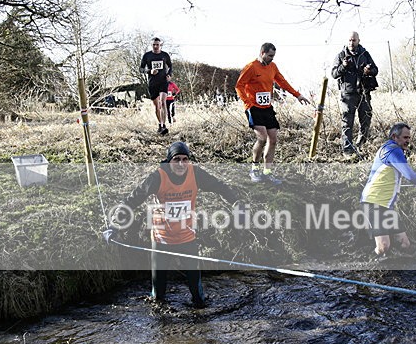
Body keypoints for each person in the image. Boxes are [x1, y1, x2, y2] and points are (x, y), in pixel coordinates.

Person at [114, 141, 240, 308]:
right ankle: (161, 324)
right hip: (161, 239)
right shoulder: (158, 176)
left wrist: (236, 201)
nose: (181, 164)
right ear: (169, 161)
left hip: (186, 237)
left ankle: (199, 315)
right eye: (176, 159)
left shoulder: (196, 174)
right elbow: (135, 198)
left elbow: (219, 187)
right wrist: (115, 225)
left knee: (197, 290)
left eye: (185, 159)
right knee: (158, 293)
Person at [235, 42, 310, 185]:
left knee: (273, 139)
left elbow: (282, 82)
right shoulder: (251, 67)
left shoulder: (273, 67)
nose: (272, 59)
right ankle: (254, 169)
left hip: (267, 108)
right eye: (269, 56)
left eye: (273, 56)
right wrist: (247, 103)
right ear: (262, 52)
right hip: (254, 108)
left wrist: (297, 95)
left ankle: (267, 172)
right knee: (262, 138)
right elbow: (238, 85)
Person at [361, 123, 416, 257]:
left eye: (409, 138)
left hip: (386, 205)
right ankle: (368, 267)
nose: (408, 141)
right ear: (394, 136)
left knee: (404, 244)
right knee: (383, 247)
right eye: (405, 137)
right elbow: (409, 175)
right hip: (373, 203)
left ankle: (398, 268)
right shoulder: (393, 150)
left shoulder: (389, 149)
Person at [331, 31, 379, 154]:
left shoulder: (365, 54)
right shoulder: (341, 55)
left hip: (364, 92)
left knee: (366, 119)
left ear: (358, 41)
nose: (351, 42)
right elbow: (334, 74)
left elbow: (375, 70)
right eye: (350, 40)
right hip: (348, 94)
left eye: (354, 40)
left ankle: (360, 145)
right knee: (347, 122)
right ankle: (348, 150)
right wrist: (343, 66)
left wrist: (369, 71)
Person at [139, 37, 173, 135]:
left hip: (163, 82)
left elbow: (170, 66)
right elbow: (141, 69)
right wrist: (150, 71)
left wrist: (169, 74)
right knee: (156, 106)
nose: (155, 46)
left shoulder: (165, 55)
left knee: (163, 102)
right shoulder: (147, 56)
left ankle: (163, 125)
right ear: (151, 45)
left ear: (160, 45)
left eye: (157, 44)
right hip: (152, 83)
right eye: (154, 44)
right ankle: (160, 124)